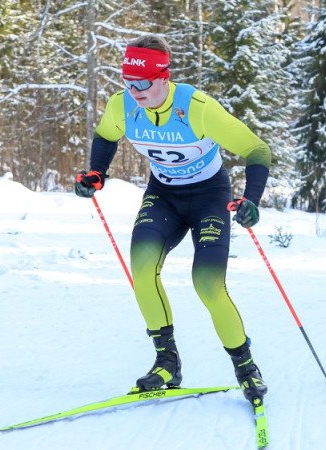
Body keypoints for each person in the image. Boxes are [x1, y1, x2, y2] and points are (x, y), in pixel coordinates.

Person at [74, 34, 270, 405]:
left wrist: (252, 198)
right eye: (128, 83)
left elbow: (257, 148)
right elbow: (105, 135)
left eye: (143, 83)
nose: (134, 91)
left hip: (209, 197)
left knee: (207, 284)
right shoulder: (122, 106)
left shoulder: (197, 108)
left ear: (164, 76)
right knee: (142, 269)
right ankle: (167, 363)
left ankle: (246, 368)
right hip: (163, 196)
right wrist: (97, 172)